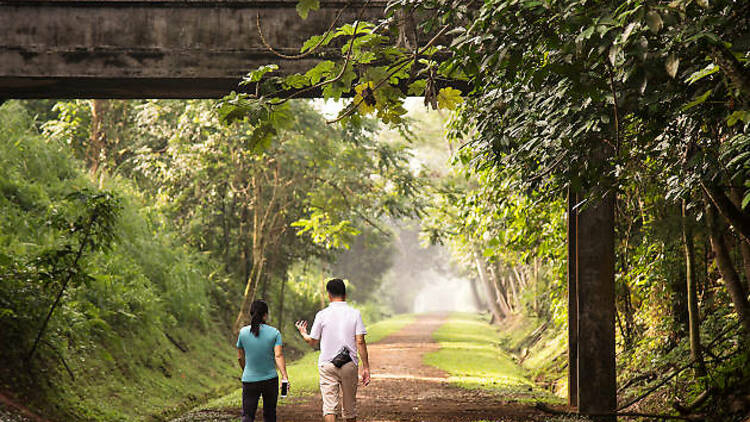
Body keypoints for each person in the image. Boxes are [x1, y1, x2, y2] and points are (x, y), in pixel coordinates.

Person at [295, 278, 371, 422]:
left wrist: (304, 333)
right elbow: (360, 341)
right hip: (349, 364)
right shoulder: (355, 313)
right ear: (345, 295)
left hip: (327, 365)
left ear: (329, 295)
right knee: (350, 408)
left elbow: (313, 341)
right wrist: (366, 367)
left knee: (329, 407)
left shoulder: (322, 315)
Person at [236, 299, 289, 422]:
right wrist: (284, 376)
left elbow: (240, 357)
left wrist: (246, 370)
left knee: (248, 416)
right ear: (265, 315)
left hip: (249, 380)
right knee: (270, 415)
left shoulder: (243, 333)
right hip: (270, 380)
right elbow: (278, 355)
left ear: (251, 313)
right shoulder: (274, 333)